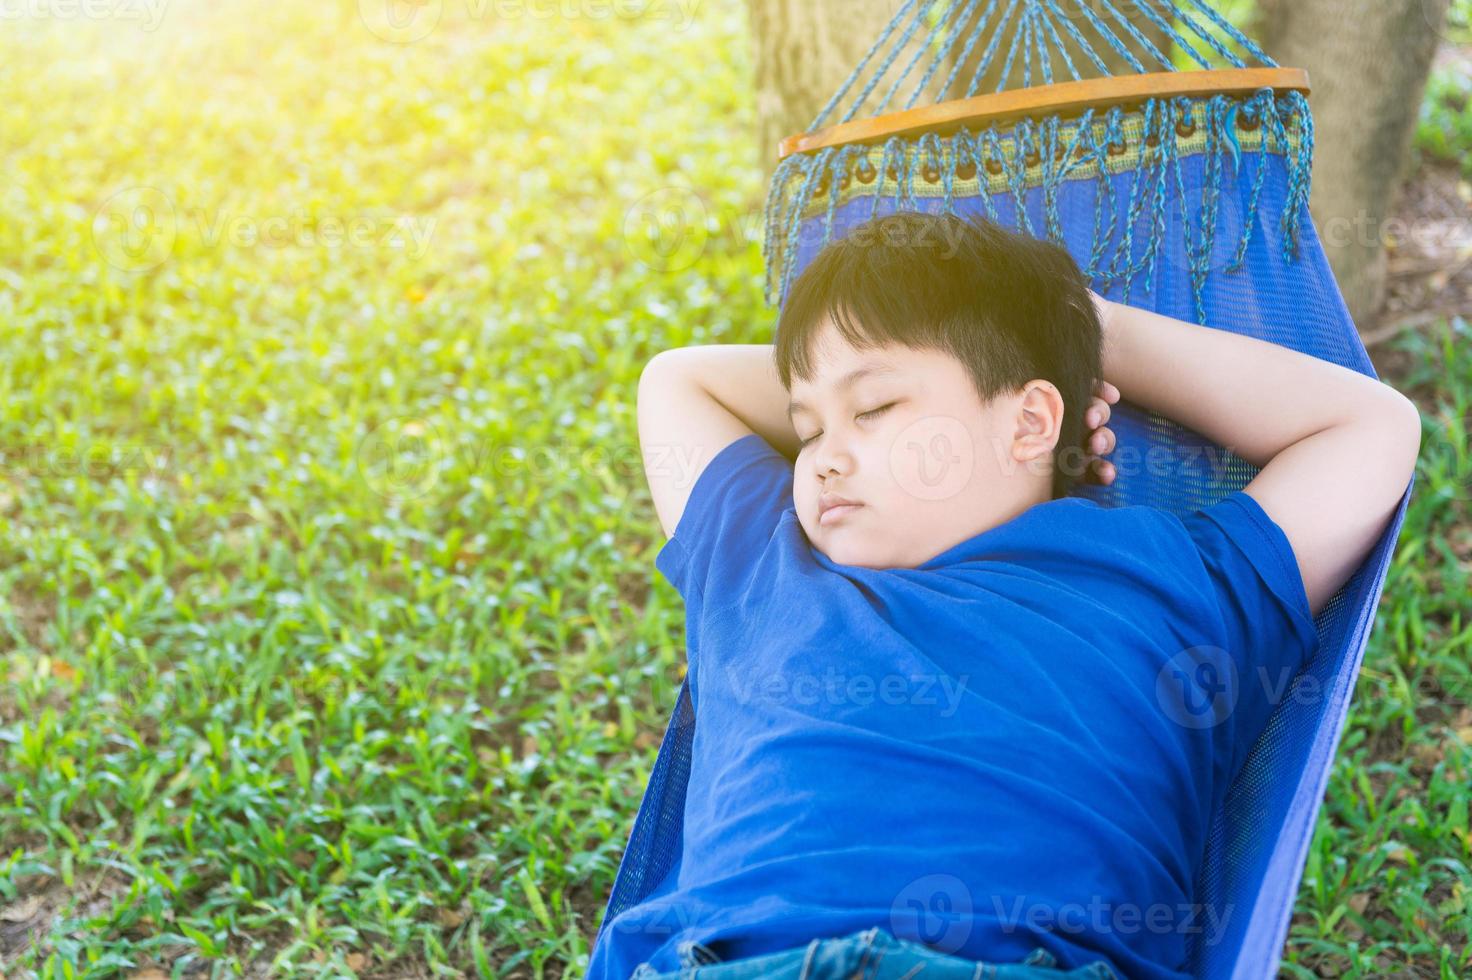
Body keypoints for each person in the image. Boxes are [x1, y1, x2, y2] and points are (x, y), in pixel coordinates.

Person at [585, 210, 1421, 979]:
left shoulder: (1163, 583)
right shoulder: (762, 561)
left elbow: (1371, 428)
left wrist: (1087, 333)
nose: (824, 458)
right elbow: (677, 382)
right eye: (806, 430)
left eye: (874, 407)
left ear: (1029, 422)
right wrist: (867, 390)